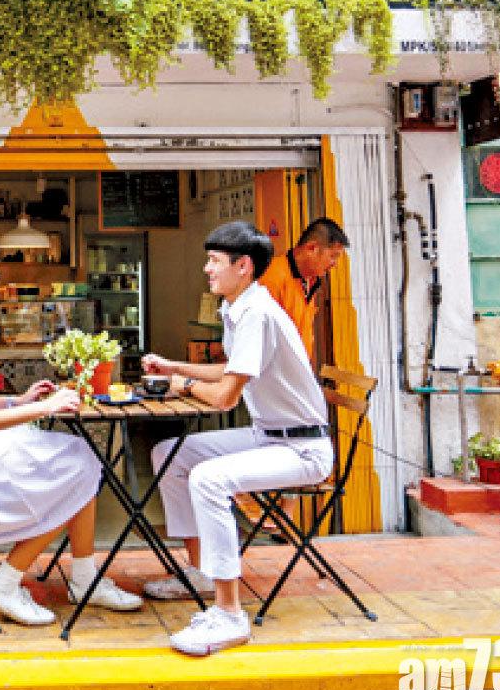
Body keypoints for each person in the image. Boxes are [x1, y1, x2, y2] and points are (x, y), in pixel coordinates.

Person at [0, 230, 142, 626]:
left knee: (83, 459)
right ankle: (7, 581)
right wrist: (44, 409)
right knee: (74, 470)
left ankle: (83, 577)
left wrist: (21, 400)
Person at [139, 221, 334, 656]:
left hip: (301, 448)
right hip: (269, 436)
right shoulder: (240, 308)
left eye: (214, 261)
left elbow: (226, 395)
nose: (206, 269)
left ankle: (229, 615)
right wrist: (175, 367)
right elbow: (233, 370)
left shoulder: (257, 313)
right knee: (170, 453)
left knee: (208, 479)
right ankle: (199, 572)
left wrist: (181, 387)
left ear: (243, 266)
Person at [258, 216, 349, 361]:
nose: (335, 264)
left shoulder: (311, 280)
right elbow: (260, 341)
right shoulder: (272, 279)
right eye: (333, 256)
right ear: (311, 248)